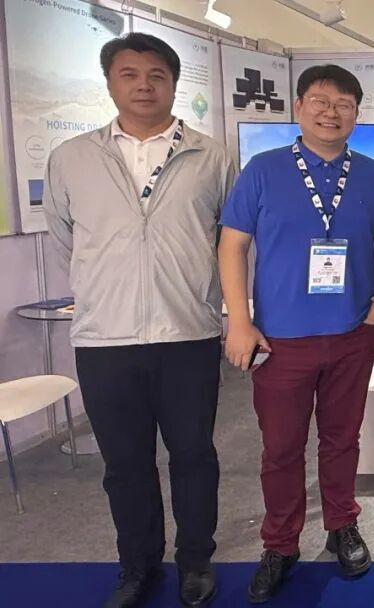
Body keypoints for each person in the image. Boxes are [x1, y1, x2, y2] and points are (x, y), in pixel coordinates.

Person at [42, 33, 234, 608]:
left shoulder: (212, 156)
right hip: (106, 339)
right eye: (129, 74)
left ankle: (196, 560)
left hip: (188, 333)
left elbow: (228, 239)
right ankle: (137, 564)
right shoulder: (72, 158)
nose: (144, 85)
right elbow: (66, 237)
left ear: (174, 83)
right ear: (109, 83)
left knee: (194, 456)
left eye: (156, 75)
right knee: (124, 465)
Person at [217, 64, 374, 604]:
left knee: (342, 440)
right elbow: (232, 245)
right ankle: (280, 543)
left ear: (357, 114)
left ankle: (342, 524)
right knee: (281, 448)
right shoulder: (263, 170)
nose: (331, 112)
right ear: (298, 107)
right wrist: (239, 320)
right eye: (320, 100)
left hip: (351, 334)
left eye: (344, 104)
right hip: (279, 340)